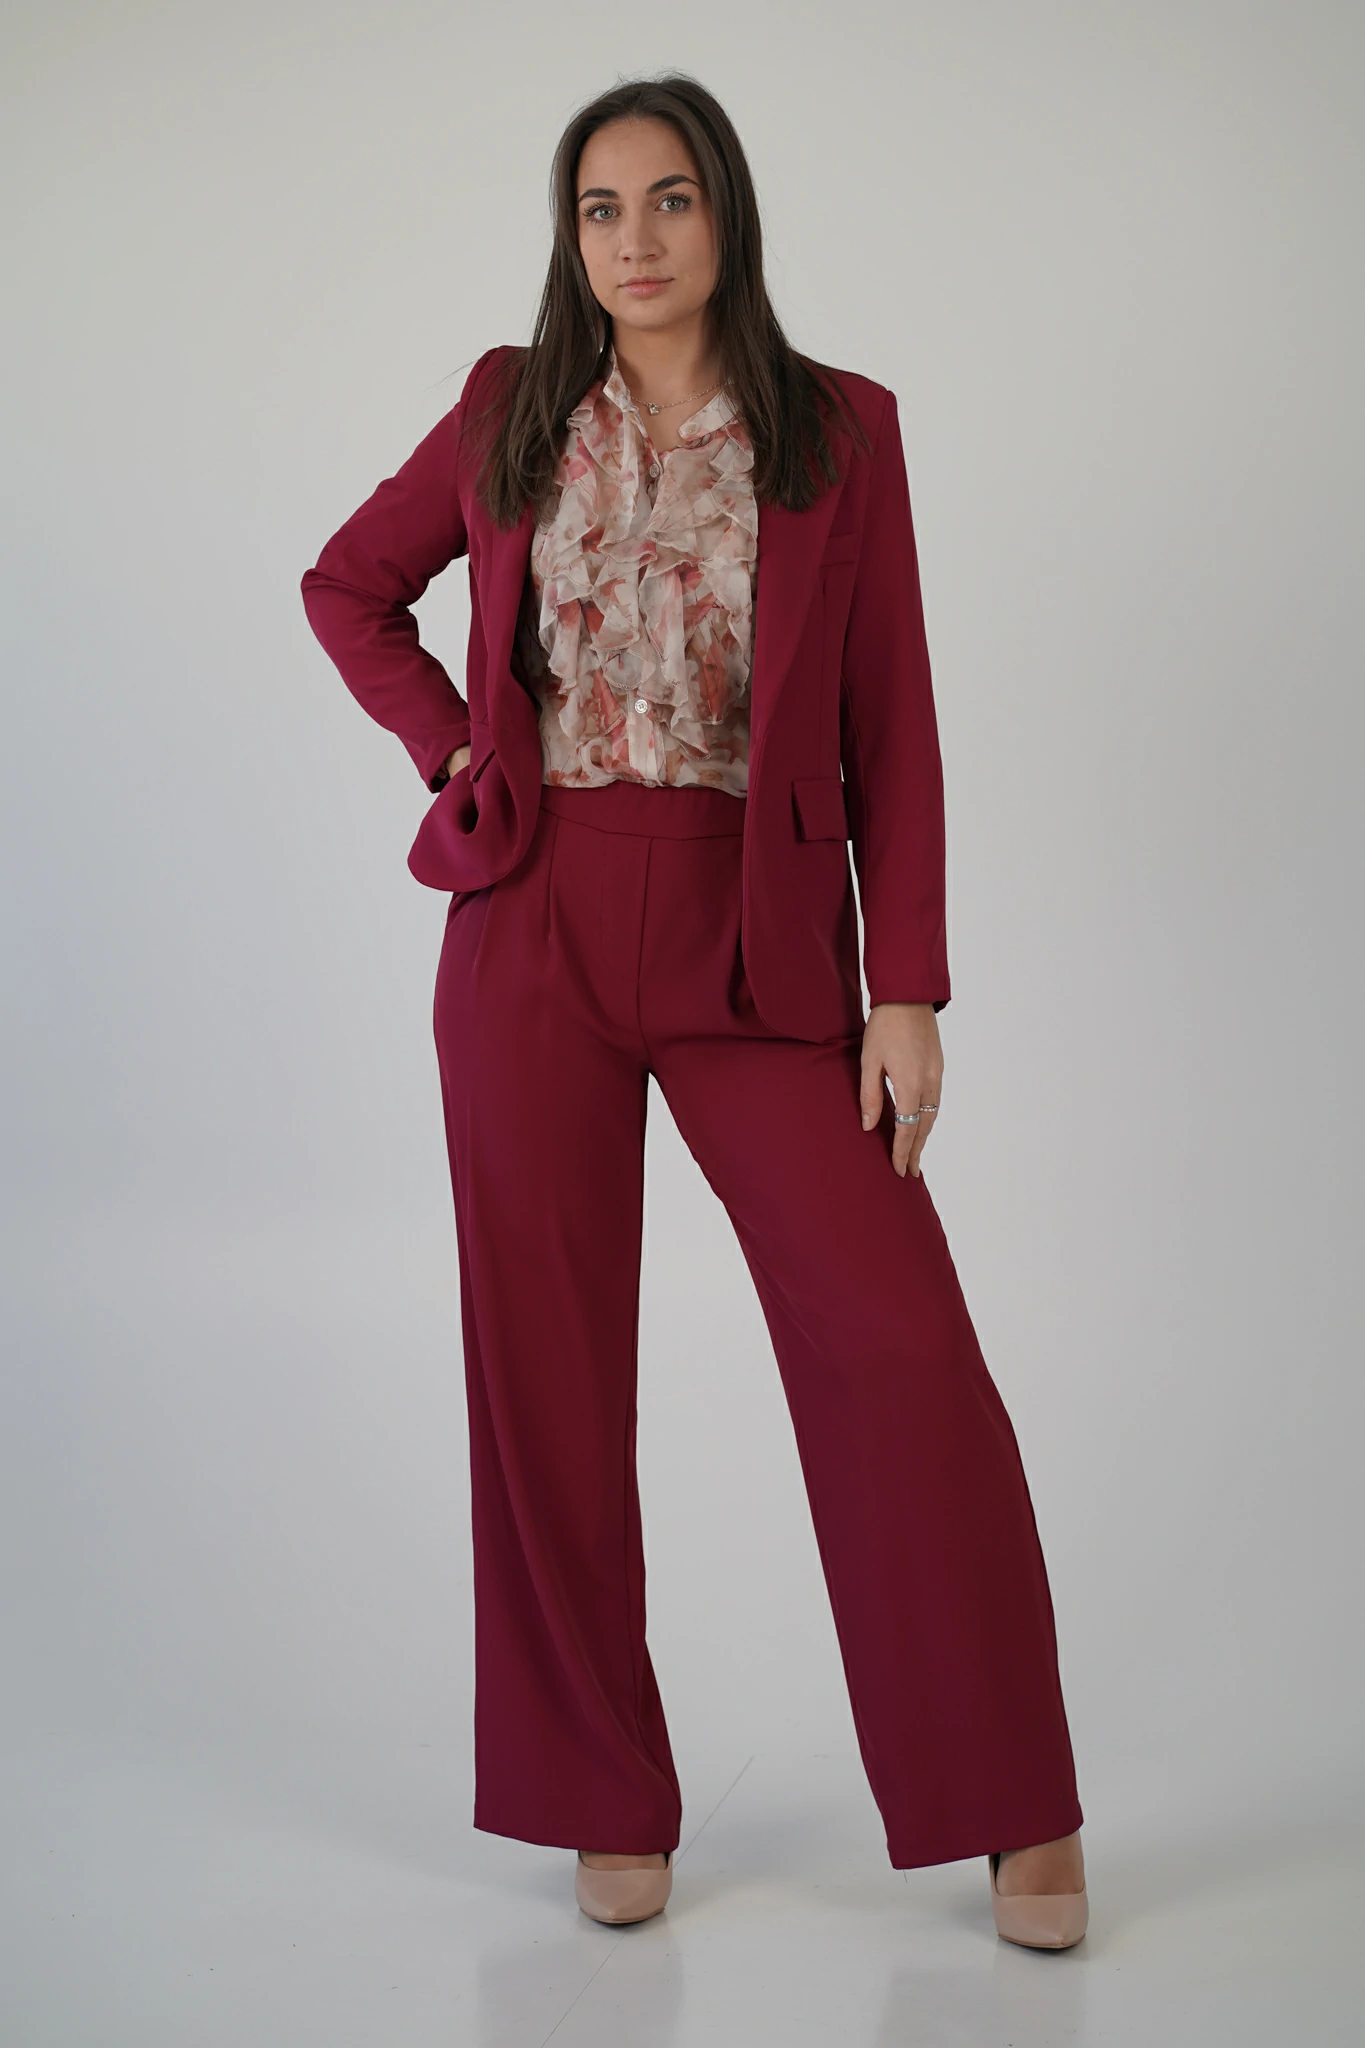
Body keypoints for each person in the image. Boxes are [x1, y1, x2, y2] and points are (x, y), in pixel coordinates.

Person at [300, 72, 1089, 1951]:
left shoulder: (840, 432)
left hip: (762, 944)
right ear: (569, 237)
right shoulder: (508, 408)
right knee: (546, 1371)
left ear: (725, 213)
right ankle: (596, 1788)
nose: (635, 239)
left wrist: (910, 988)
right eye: (601, 208)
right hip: (533, 922)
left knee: (900, 1349)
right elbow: (347, 588)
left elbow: (897, 726)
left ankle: (1010, 1798)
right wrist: (457, 751)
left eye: (668, 199)